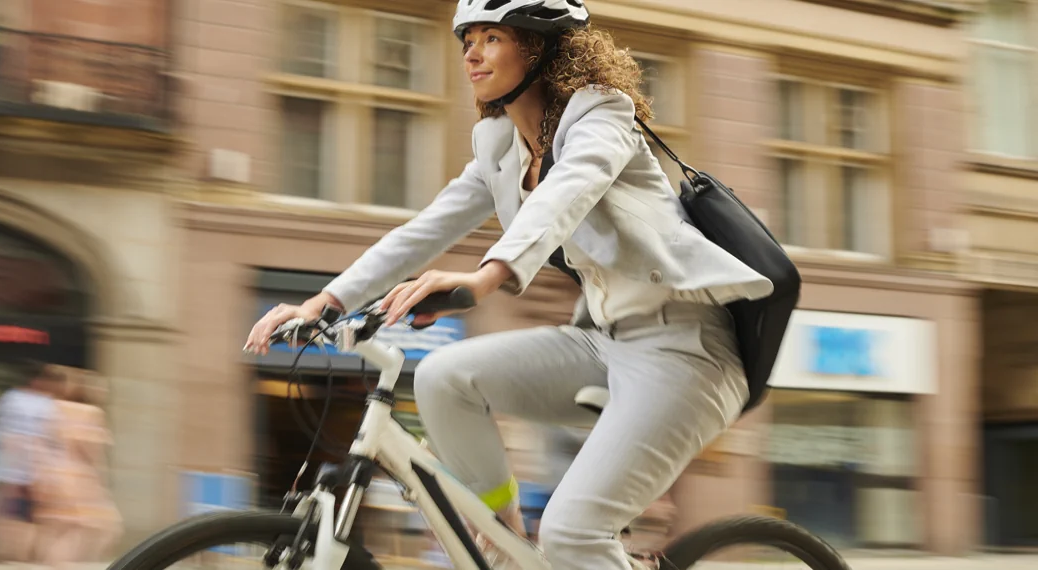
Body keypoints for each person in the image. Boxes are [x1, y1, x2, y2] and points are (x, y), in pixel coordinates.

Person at [245, 1, 772, 568]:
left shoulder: (603, 116)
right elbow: (427, 228)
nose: (472, 51)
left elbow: (565, 194)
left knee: (573, 533)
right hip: (605, 341)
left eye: (492, 37)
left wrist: (485, 277)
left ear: (540, 47)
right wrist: (326, 300)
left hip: (687, 354)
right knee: (445, 377)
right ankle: (499, 540)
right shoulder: (499, 144)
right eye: (466, 38)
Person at [34, 366, 123, 570]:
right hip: (79, 478)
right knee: (107, 527)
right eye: (102, 388)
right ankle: (61, 566)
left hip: (52, 475)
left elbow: (43, 441)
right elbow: (90, 449)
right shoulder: (91, 413)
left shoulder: (56, 407)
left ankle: (55, 564)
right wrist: (102, 478)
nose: (104, 392)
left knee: (59, 530)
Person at [0, 360, 62, 564]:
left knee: (11, 524)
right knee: (16, 525)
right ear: (37, 380)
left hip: (14, 472)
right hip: (23, 474)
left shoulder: (9, 399)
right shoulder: (28, 403)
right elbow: (15, 439)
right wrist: (18, 477)